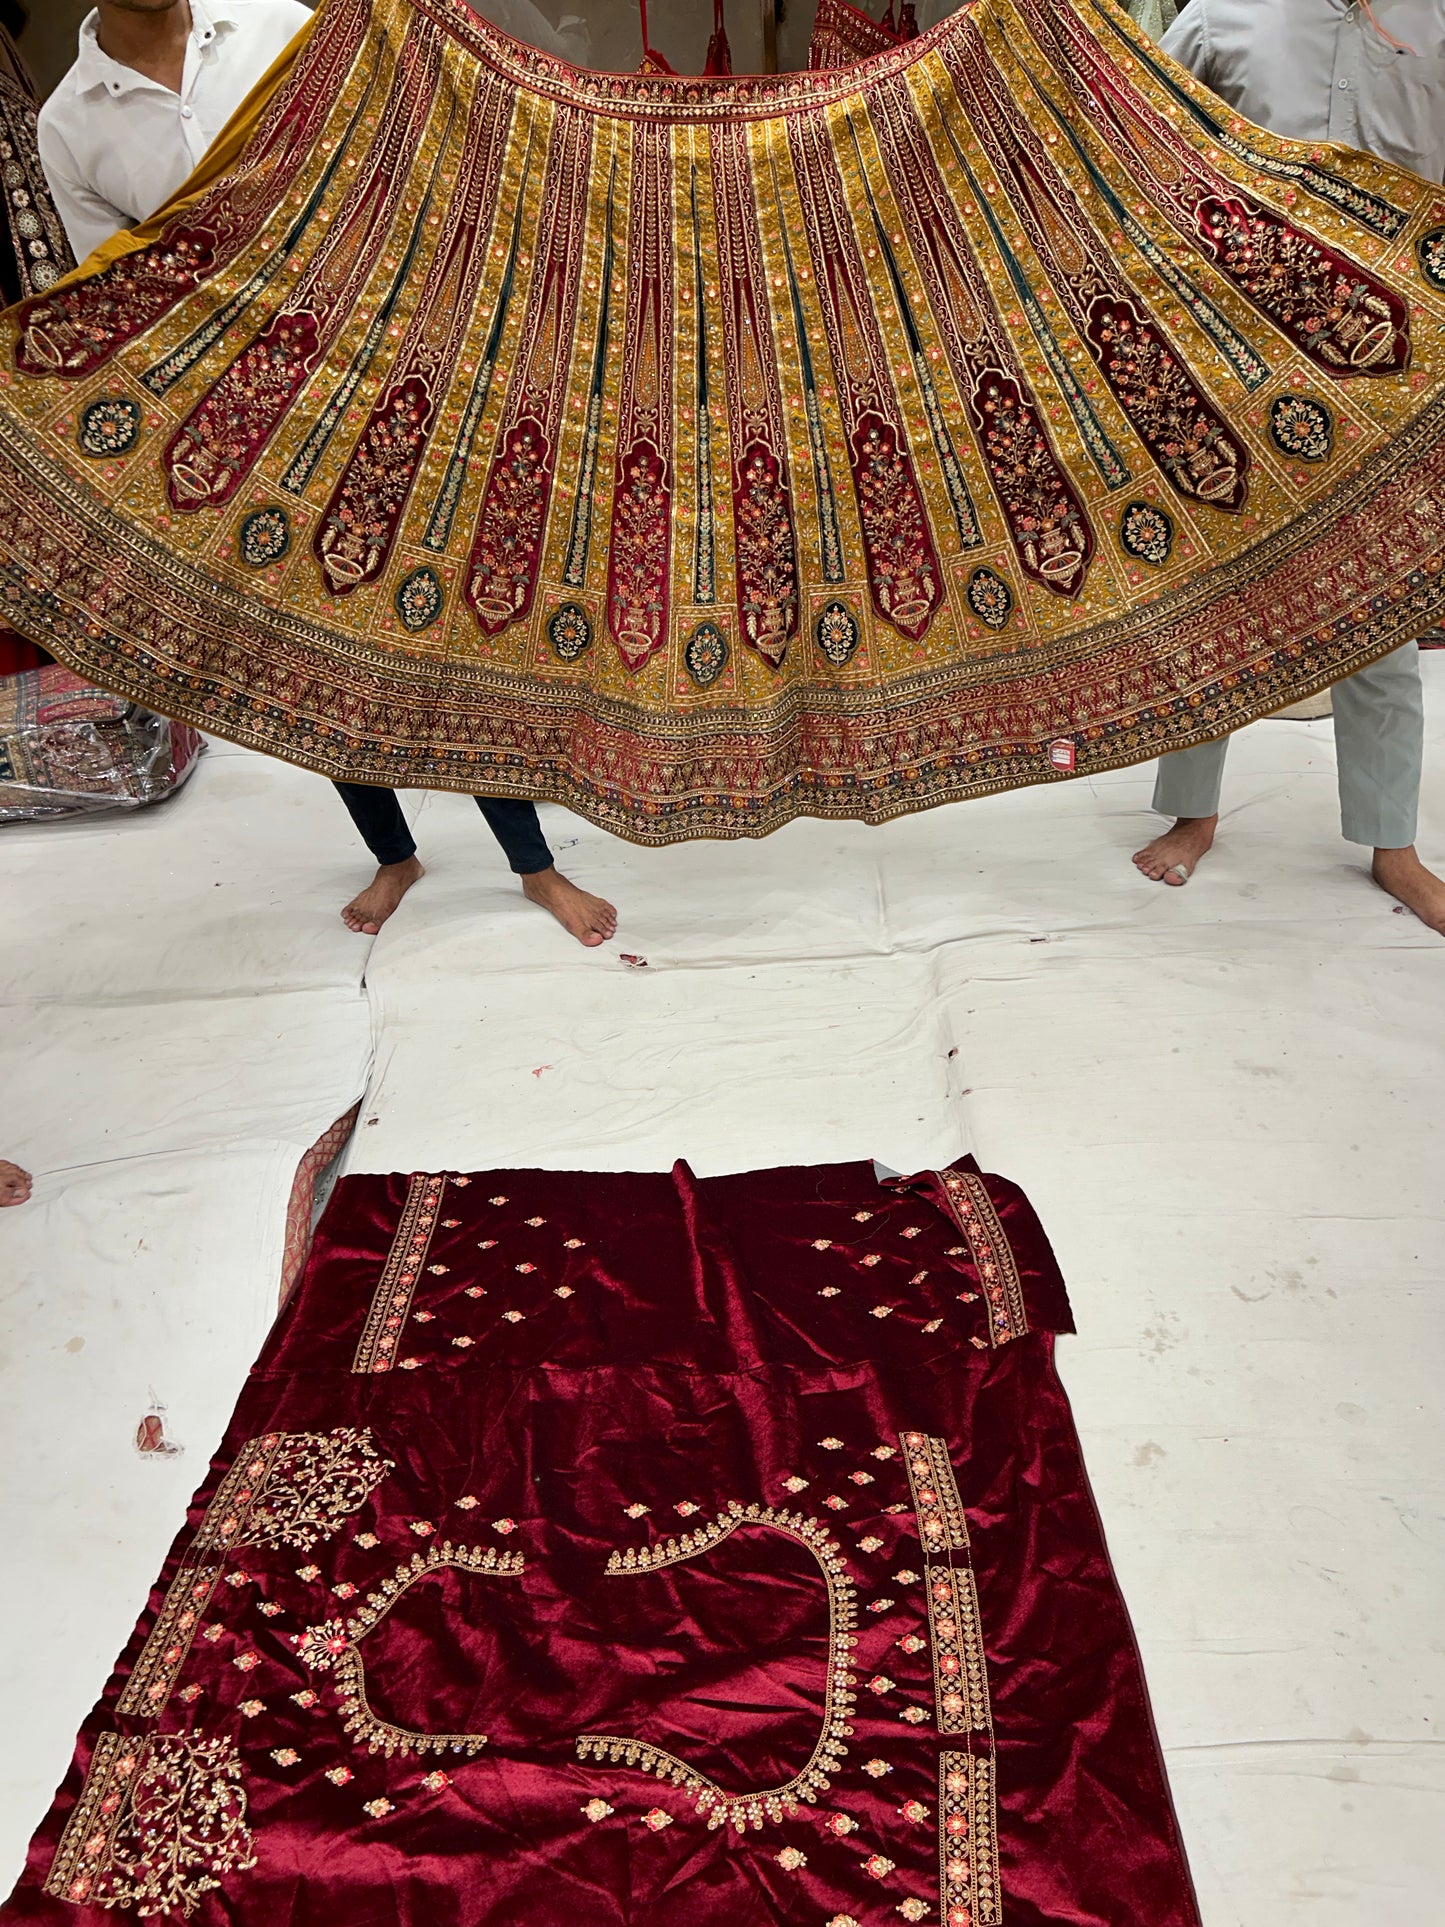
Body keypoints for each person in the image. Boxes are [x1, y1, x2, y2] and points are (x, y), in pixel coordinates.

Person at [39, 1, 618, 947]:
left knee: (454, 615)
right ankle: (394, 853)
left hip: (388, 361)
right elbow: (111, 286)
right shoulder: (70, 123)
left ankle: (532, 863)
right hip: (247, 409)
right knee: (310, 639)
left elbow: (404, 136)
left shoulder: (280, 23)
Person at [1134, 0, 1445, 936]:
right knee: (1219, 589)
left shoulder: (1434, 23)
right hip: (1241, 353)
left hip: (1394, 363)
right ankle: (1194, 814)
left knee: (1383, 601)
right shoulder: (1225, 15)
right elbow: (1138, 138)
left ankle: (1394, 846)